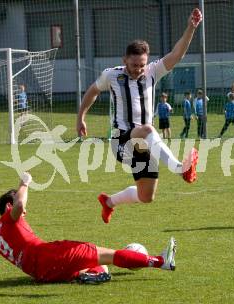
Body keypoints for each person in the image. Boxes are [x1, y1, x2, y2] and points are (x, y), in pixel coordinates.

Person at [76, 8, 202, 224]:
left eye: (142, 65)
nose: (138, 69)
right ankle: (180, 169)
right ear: (125, 60)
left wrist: (191, 27)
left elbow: (177, 54)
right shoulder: (112, 75)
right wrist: (80, 117)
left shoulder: (153, 71)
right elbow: (93, 91)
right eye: (134, 65)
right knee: (147, 129)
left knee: (146, 196)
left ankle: (108, 202)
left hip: (144, 143)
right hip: (121, 141)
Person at [0, 173, 177, 284]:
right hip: (50, 256)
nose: (24, 211)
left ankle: (88, 275)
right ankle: (160, 261)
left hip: (42, 274)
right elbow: (19, 205)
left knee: (100, 266)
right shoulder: (10, 218)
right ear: (8, 206)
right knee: (107, 255)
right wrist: (24, 183)